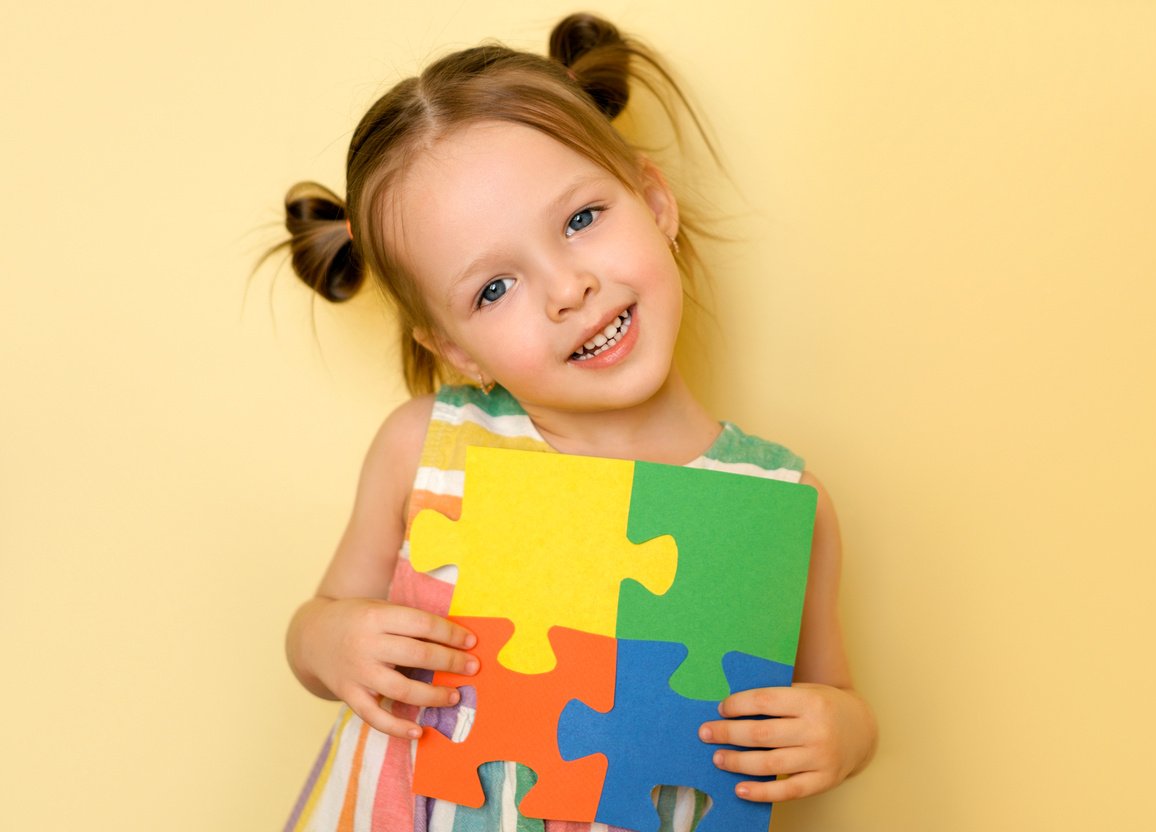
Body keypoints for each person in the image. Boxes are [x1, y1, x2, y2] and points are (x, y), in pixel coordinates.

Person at [275, 12, 876, 832]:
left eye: (582, 219)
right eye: (494, 288)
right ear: (455, 348)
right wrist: (333, 643)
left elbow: (829, 694)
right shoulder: (426, 450)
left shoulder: (779, 505)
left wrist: (841, 732)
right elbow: (317, 625)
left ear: (655, 199)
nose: (567, 289)